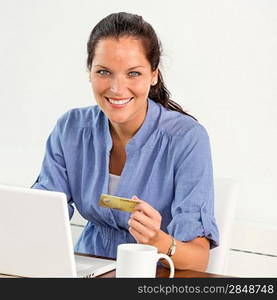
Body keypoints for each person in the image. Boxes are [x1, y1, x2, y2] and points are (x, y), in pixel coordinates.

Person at [32, 12, 219, 271]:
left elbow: (198, 261)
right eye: (104, 72)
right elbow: (41, 214)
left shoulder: (186, 139)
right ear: (90, 72)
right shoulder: (71, 129)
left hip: (154, 275)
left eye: (133, 73)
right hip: (87, 268)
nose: (117, 89)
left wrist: (157, 240)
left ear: (154, 75)